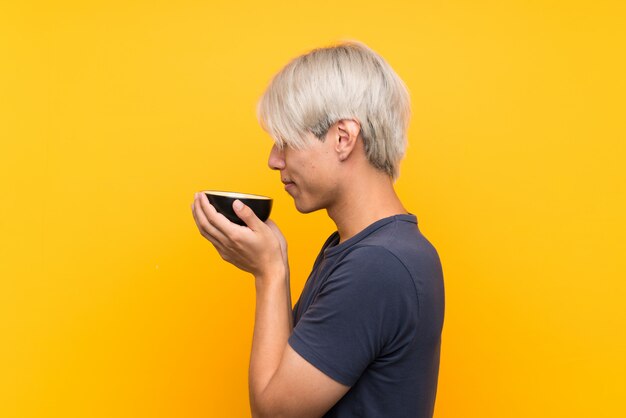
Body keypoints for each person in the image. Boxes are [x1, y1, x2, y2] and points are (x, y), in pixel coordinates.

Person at [191, 41, 445, 418]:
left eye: (286, 141)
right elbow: (289, 371)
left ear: (343, 138)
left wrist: (270, 271)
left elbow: (276, 412)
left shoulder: (378, 266)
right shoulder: (364, 249)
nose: (274, 160)